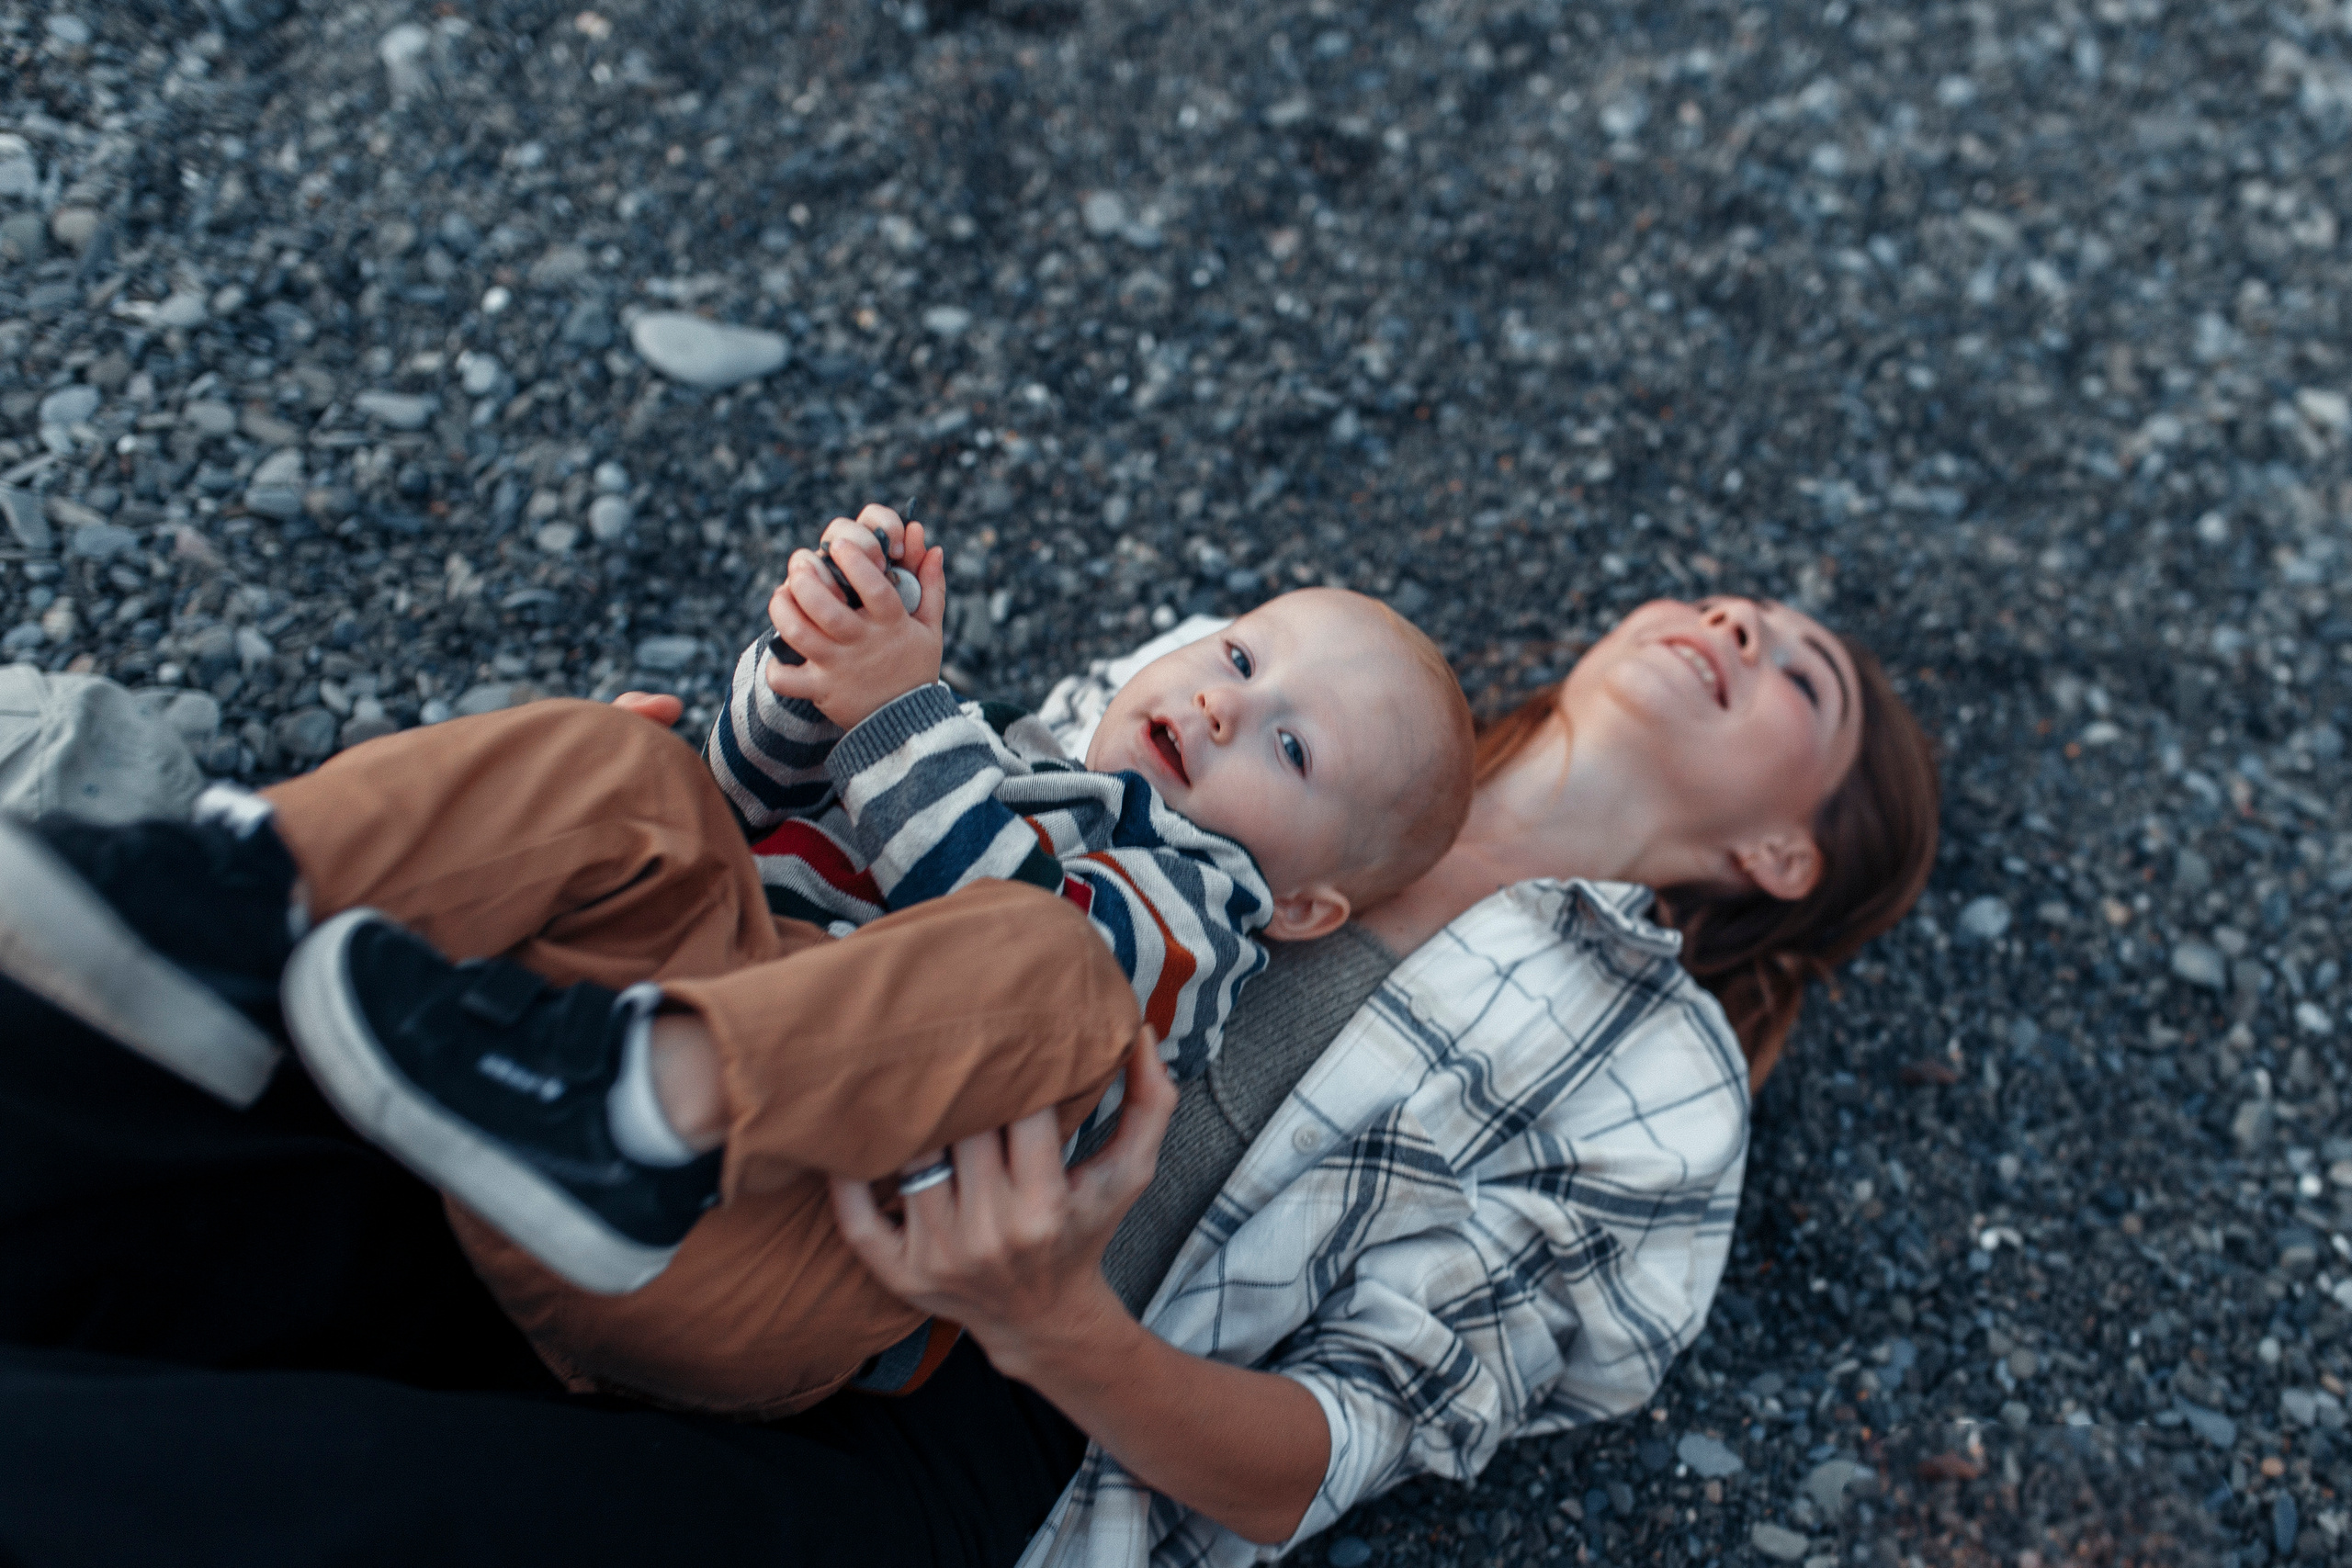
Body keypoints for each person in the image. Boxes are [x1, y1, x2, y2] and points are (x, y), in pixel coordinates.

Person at [0, 592, 1938, 1568]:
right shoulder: (1280, 682)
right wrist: (733, 769)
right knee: (108, 1095)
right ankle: (239, 905)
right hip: (697, 1075)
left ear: (1784, 855)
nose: (1742, 623)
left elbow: (1327, 1451)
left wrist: (1045, 1319)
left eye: (1803, 677)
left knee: (234, 1490)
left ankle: (616, 1101)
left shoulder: (1652, 1085)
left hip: (949, 1401)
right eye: (1737, 602)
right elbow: (887, 840)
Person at [268, 506, 1472, 1413]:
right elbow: (736, 815)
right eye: (1242, 660)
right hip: (536, 1082)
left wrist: (895, 712)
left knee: (1055, 970)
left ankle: (636, 1112)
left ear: (1302, 908)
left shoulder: (1194, 926)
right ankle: (251, 886)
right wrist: (817, 675)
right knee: (627, 766)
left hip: (767, 1240)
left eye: (1292, 749)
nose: (1224, 707)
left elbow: (1015, 934)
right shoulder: (980, 757)